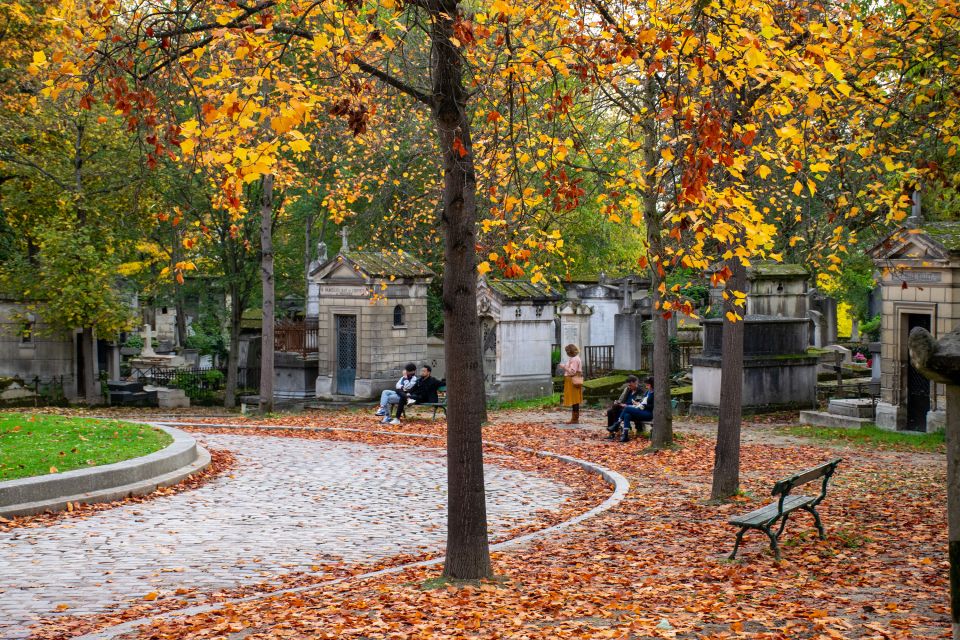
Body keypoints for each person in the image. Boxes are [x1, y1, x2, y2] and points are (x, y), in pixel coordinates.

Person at [616, 376, 654, 442]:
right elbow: (643, 402)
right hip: (642, 410)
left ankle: (617, 423)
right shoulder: (648, 392)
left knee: (627, 408)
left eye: (648, 385)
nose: (646, 386)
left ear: (652, 385)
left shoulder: (654, 393)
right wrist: (637, 403)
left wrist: (641, 405)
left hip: (648, 414)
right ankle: (625, 435)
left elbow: (652, 406)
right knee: (627, 415)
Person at [606, 375, 641, 440]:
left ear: (635, 383)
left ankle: (616, 428)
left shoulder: (641, 391)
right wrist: (618, 402)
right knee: (610, 411)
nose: (629, 387)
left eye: (630, 385)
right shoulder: (628, 389)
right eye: (628, 385)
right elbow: (621, 399)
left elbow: (639, 404)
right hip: (623, 407)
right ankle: (612, 433)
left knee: (616, 410)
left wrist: (626, 405)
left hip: (632, 409)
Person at [558, 344, 583, 424]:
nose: (566, 353)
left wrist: (563, 367)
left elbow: (572, 371)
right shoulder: (576, 358)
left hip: (572, 380)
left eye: (567, 351)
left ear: (570, 352)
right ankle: (575, 418)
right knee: (575, 399)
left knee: (575, 400)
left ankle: (575, 419)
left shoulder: (574, 359)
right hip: (573, 380)